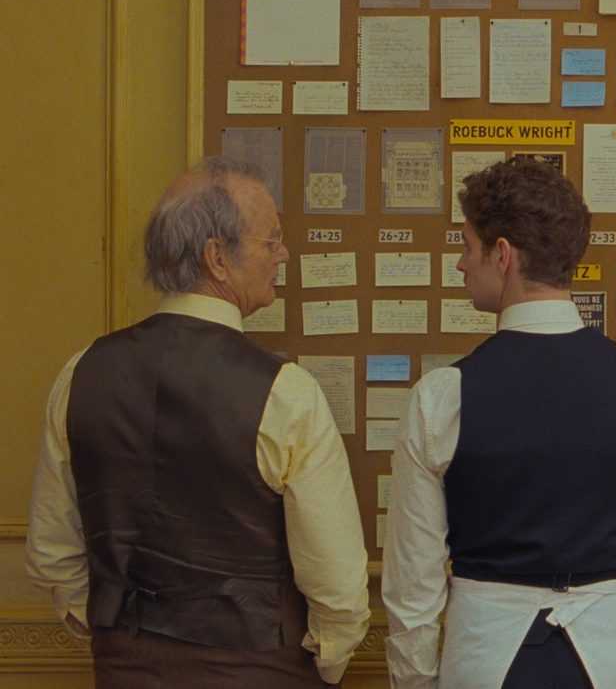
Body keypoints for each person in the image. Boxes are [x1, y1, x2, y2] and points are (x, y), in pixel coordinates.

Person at [24, 156, 371, 687]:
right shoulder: (285, 391)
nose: (283, 254)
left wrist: (119, 641)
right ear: (217, 258)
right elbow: (337, 584)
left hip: (124, 669)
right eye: (271, 241)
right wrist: (324, 663)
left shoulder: (81, 373)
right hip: (261, 670)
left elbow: (53, 554)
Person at [383, 157, 616, 688]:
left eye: (467, 247)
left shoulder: (441, 398)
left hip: (482, 661)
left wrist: (415, 682)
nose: (460, 265)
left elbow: (413, 590)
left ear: (502, 255)